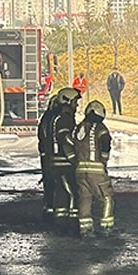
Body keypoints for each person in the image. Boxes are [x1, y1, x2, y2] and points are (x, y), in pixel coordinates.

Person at [72, 100, 114, 238]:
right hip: (96, 171)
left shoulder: (79, 128)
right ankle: (107, 227)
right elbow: (106, 143)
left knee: (84, 198)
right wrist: (104, 160)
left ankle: (85, 229)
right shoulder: (100, 128)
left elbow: (70, 142)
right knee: (106, 198)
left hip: (79, 171)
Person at [52, 87, 81, 233]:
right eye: (75, 102)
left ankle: (61, 219)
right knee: (72, 191)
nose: (77, 105)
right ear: (68, 101)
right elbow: (65, 138)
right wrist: (78, 144)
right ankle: (71, 222)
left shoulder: (60, 117)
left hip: (59, 161)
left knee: (62, 192)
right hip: (64, 162)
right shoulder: (65, 119)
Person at [37, 93, 58, 221]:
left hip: (47, 154)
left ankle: (49, 205)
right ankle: (52, 206)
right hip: (52, 156)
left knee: (49, 180)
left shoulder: (47, 118)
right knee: (54, 180)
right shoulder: (55, 118)